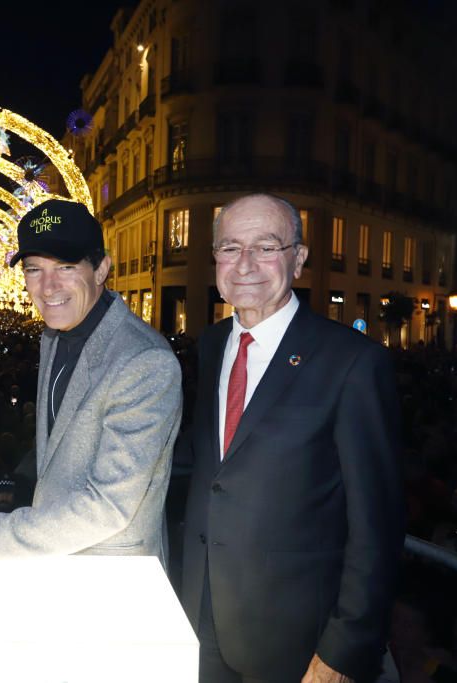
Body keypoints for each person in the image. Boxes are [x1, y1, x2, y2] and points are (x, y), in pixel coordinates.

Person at [180, 193, 404, 682]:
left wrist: (344, 650)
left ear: (298, 260)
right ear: (214, 258)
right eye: (230, 247)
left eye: (266, 246)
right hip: (202, 617)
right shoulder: (213, 344)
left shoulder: (353, 362)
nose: (245, 264)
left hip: (297, 643)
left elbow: (378, 525)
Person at [0, 198, 182, 567]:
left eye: (66, 266)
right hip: (55, 559)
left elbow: (108, 507)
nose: (48, 286)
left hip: (111, 578)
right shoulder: (54, 336)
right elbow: (60, 449)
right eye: (34, 269)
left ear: (101, 268)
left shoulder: (143, 361)